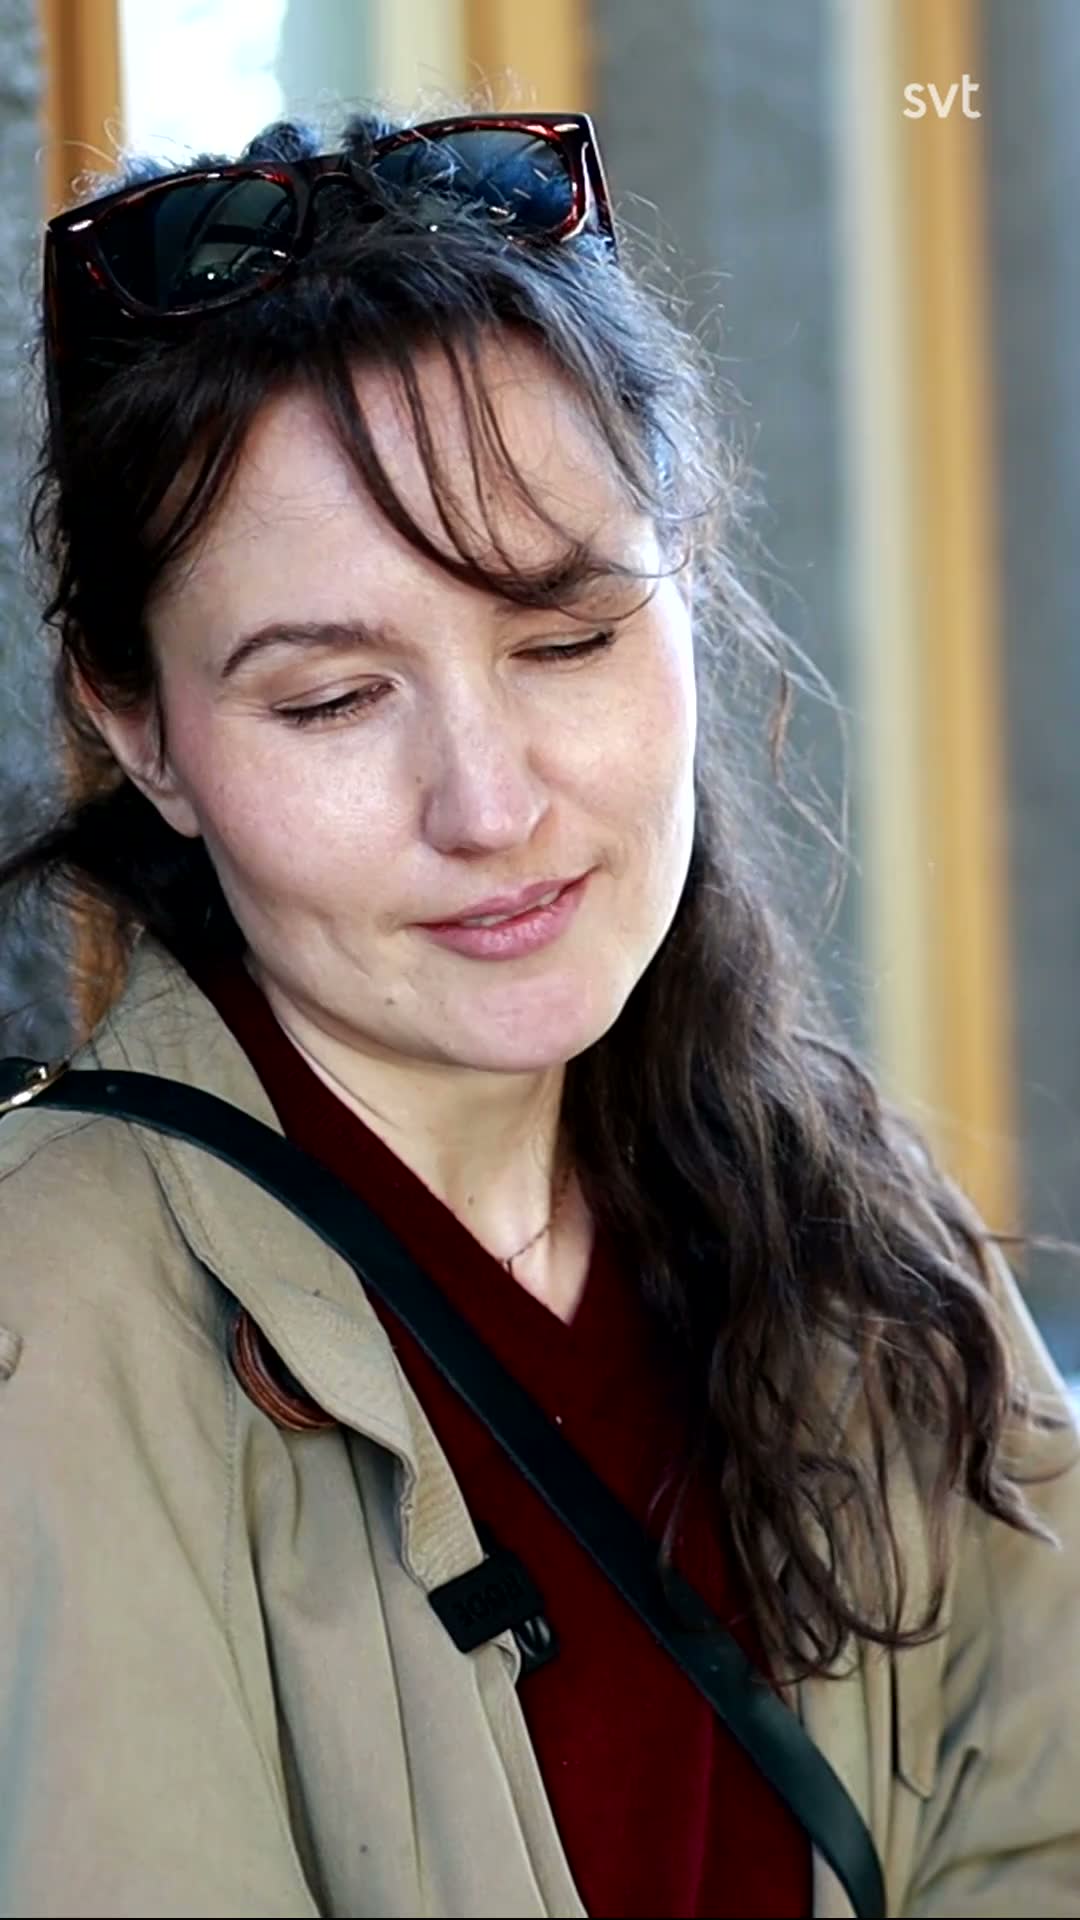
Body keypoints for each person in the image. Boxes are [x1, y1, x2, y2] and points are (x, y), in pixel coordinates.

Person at [0, 102, 1077, 1920]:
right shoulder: (54, 1315)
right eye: (332, 700)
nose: (489, 805)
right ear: (141, 732)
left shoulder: (842, 1223)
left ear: (690, 581)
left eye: (564, 640)